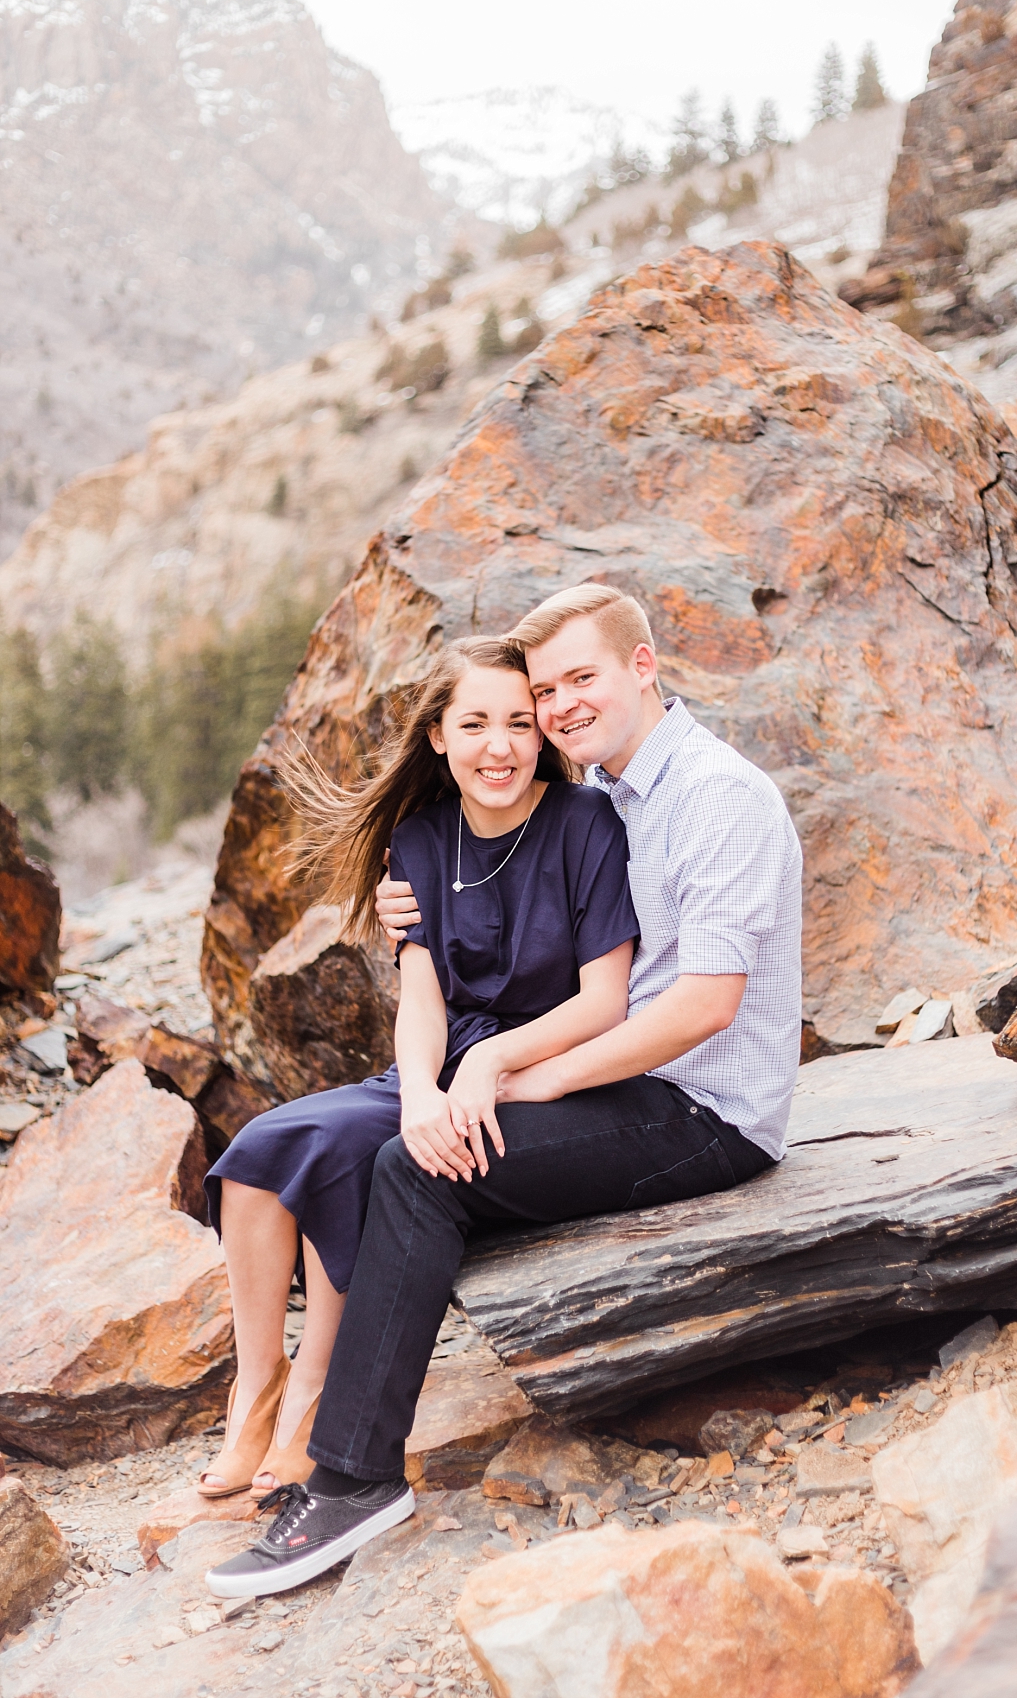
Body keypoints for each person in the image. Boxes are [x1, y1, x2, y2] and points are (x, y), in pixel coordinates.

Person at [206, 584, 802, 1599]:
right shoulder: (619, 789)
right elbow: (500, 844)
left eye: (582, 679)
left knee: (424, 1166)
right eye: (547, 689)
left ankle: (350, 1477)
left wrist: (514, 1076)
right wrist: (415, 915)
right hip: (626, 1083)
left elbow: (703, 1005)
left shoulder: (716, 794)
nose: (560, 707)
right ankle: (302, 1419)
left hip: (703, 1114)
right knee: (398, 1139)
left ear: (644, 667)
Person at [195, 634, 639, 1501]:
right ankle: (258, 1390)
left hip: (535, 1069)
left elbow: (603, 1001)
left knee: (344, 1160)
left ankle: (316, 1401)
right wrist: (420, 1094)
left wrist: (485, 1074)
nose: (500, 745)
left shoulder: (586, 825)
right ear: (437, 735)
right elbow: (424, 998)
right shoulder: (423, 841)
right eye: (474, 722)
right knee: (259, 1152)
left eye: (519, 722)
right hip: (438, 1066)